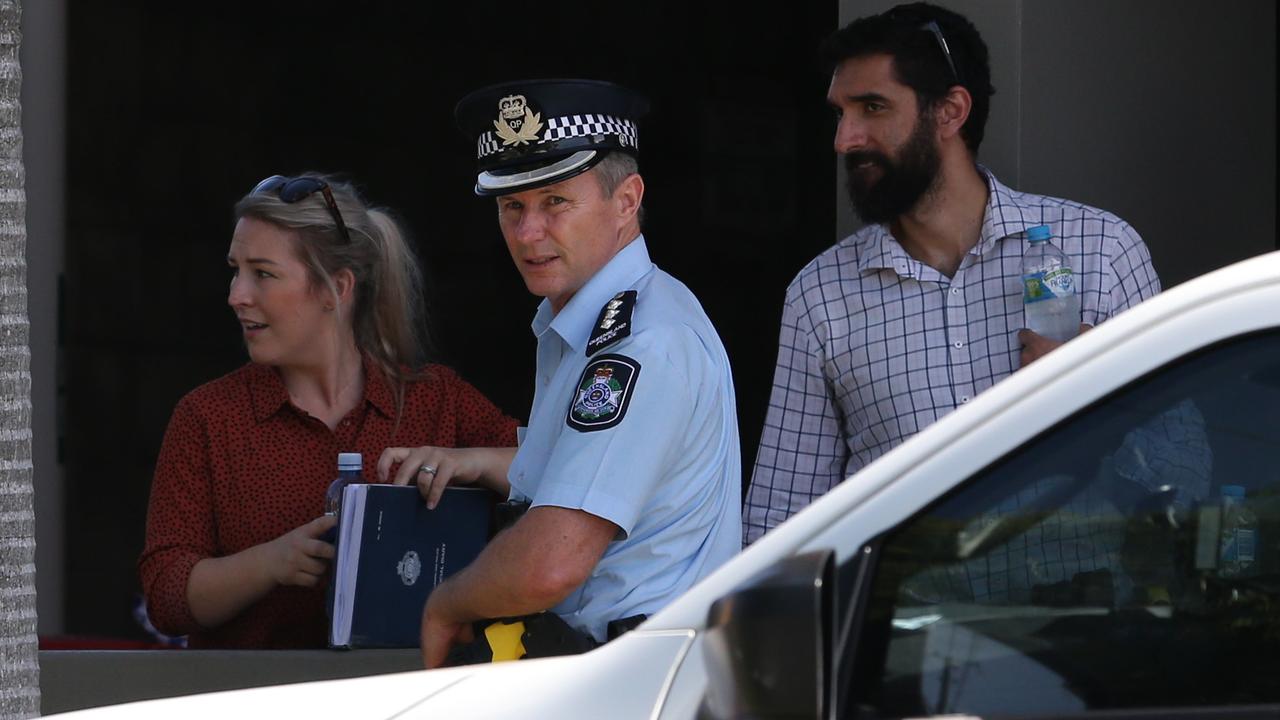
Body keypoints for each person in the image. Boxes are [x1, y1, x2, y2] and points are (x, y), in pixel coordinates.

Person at [744, 3, 1176, 544]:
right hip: (904, 622)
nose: (844, 139)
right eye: (839, 113)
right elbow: (783, 515)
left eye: (873, 107)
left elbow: (1185, 476)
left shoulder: (1100, 251)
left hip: (1084, 614)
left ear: (950, 112)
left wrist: (1103, 400)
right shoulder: (821, 293)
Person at [379, 79, 742, 668]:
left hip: (634, 679)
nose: (527, 233)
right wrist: (477, 461)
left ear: (627, 201)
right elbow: (598, 468)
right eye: (511, 206)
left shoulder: (638, 344)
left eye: (555, 203)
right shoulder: (592, 319)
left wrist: (446, 604)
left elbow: (553, 561)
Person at [139, 173, 519, 648]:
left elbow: (560, 473)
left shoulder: (436, 398)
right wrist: (269, 563)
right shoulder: (208, 418)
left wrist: (475, 461)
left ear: (336, 288)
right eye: (235, 269)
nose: (237, 294)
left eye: (263, 273)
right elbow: (165, 595)